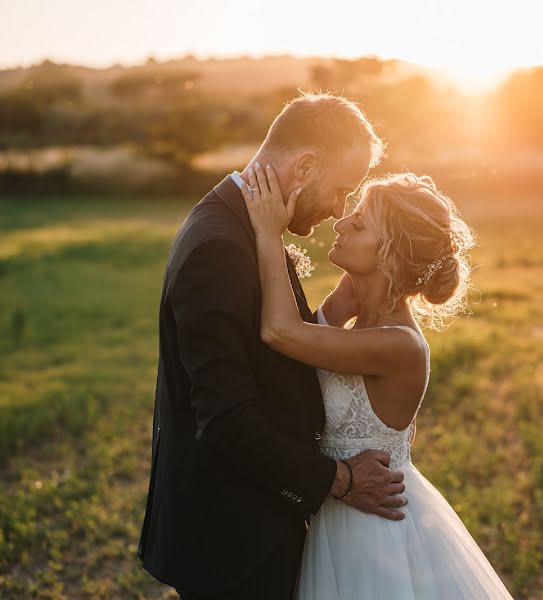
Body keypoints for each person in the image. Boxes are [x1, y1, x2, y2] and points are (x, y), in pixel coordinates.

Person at [138, 93, 407, 600]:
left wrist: (336, 308)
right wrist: (340, 480)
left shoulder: (247, 223)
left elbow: (275, 352)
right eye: (342, 190)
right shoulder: (222, 246)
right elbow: (225, 419)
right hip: (231, 538)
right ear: (304, 166)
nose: (339, 210)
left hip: (250, 522)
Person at [239, 164, 514, 598]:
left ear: (387, 254)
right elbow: (302, 350)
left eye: (361, 223)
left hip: (370, 527)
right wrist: (357, 290)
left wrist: (268, 233)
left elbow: (281, 332)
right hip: (336, 509)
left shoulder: (398, 346)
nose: (342, 221)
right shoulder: (357, 322)